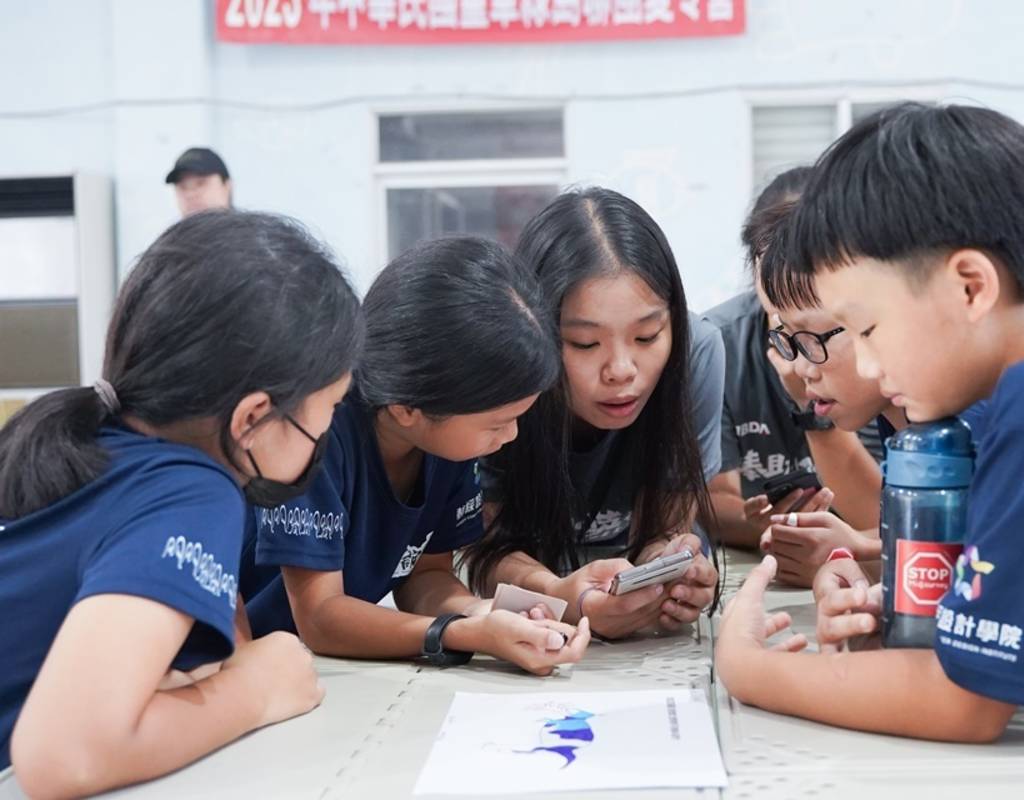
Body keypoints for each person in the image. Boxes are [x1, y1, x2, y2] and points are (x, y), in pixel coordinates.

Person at [718, 103, 1024, 741]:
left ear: (971, 286)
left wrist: (746, 666)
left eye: (868, 327)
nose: (865, 359)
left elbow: (964, 705)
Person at [0, 210, 363, 794]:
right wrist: (257, 691)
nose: (331, 428)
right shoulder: (195, 492)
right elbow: (61, 753)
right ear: (254, 417)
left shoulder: (87, 446)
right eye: (333, 405)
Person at [240, 236, 590, 674]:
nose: (512, 435)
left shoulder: (446, 443)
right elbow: (319, 616)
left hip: (327, 671)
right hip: (248, 663)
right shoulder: (316, 433)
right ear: (408, 409)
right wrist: (455, 633)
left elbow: (423, 576)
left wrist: (479, 614)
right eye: (496, 423)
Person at [465, 187, 721, 640]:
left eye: (647, 337)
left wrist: (669, 574)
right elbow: (485, 553)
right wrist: (561, 594)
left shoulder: (696, 353)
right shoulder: (497, 376)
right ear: (534, 331)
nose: (622, 371)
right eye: (584, 343)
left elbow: (665, 527)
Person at [704, 167, 883, 550]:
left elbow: (894, 521)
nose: (802, 366)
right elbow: (712, 501)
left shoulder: (876, 370)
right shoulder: (719, 343)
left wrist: (851, 547)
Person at [166, 147, 233, 216]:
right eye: (183, 187)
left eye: (201, 183)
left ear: (226, 186)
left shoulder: (243, 226)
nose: (190, 194)